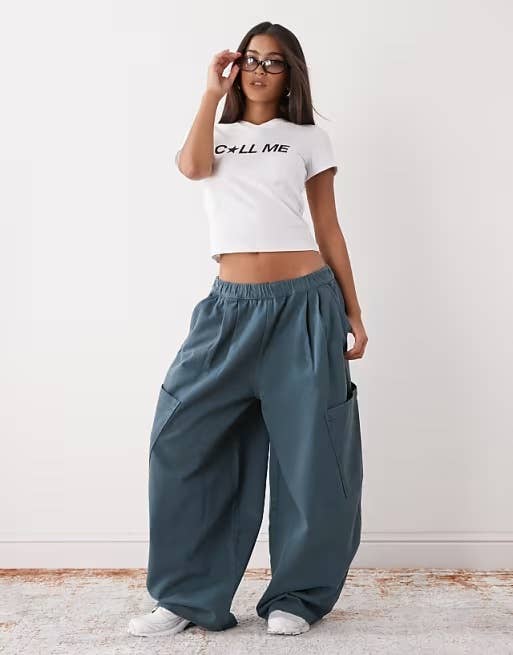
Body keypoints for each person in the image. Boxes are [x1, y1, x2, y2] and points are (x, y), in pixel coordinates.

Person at [128, 21, 368, 639]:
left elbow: (328, 226)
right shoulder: (216, 133)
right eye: (251, 59)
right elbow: (191, 168)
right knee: (182, 441)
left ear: (291, 74)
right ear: (236, 68)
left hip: (305, 305)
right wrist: (210, 94)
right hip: (228, 310)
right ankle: (187, 597)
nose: (261, 70)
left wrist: (353, 310)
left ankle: (298, 596)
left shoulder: (309, 137)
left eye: (275, 61)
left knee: (313, 456)